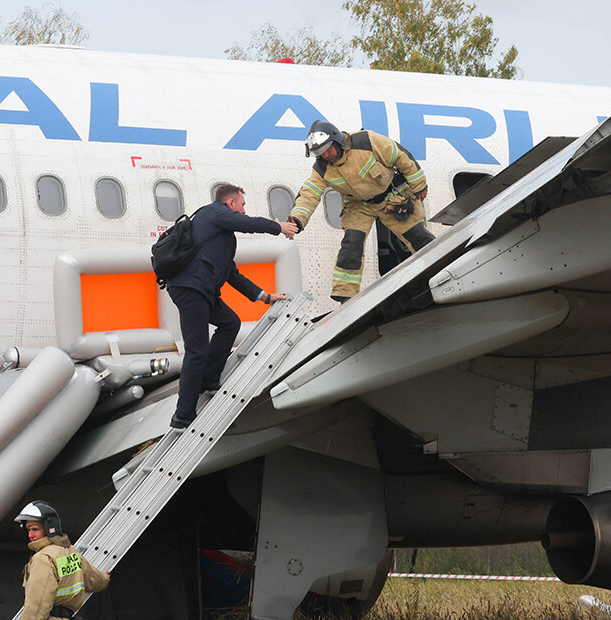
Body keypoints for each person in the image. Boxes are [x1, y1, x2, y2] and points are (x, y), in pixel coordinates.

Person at [166, 184, 296, 429]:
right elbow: (249, 224)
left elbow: (231, 274)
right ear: (230, 203)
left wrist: (265, 297)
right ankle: (183, 415)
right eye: (242, 205)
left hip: (202, 290)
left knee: (230, 322)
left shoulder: (220, 237)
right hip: (191, 289)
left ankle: (209, 377)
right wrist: (279, 227)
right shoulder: (212, 213)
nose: (244, 211)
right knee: (197, 350)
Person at [289, 120, 434, 302]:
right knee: (352, 244)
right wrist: (297, 219)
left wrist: (419, 187)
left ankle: (443, 269)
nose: (325, 155)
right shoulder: (322, 168)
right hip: (358, 206)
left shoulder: (367, 142)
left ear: (337, 141)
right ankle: (345, 296)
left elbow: (402, 157)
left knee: (418, 236)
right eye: (319, 152)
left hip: (391, 198)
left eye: (327, 149)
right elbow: (309, 194)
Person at [12, 500, 110, 620]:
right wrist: (105, 577)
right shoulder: (71, 553)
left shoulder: (43, 558)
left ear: (49, 528)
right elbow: (94, 580)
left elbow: (38, 606)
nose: (30, 535)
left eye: (35, 529)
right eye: (28, 530)